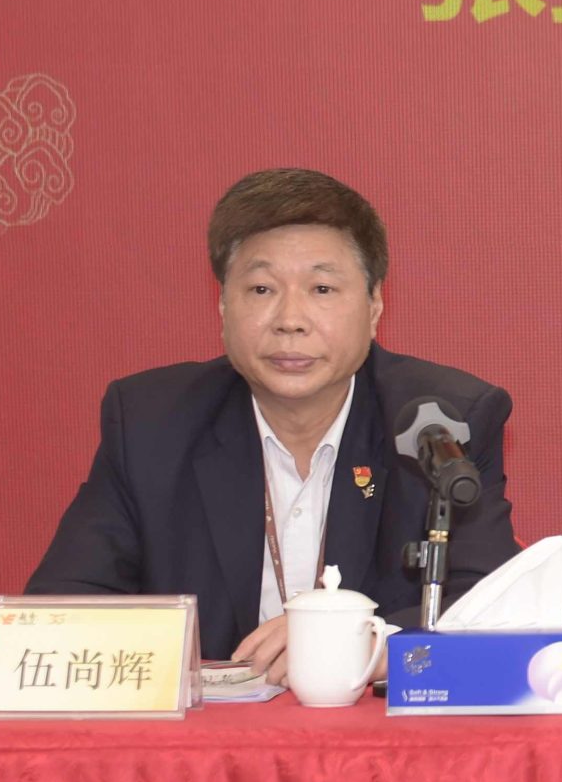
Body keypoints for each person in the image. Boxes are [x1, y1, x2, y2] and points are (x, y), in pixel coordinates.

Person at [28, 168, 520, 680]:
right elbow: (61, 613)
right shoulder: (152, 423)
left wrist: (365, 643)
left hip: (370, 727)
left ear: (375, 305)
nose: (290, 320)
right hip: (212, 726)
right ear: (223, 304)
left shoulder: (439, 423)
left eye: (322, 288)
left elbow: (495, 607)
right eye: (262, 289)